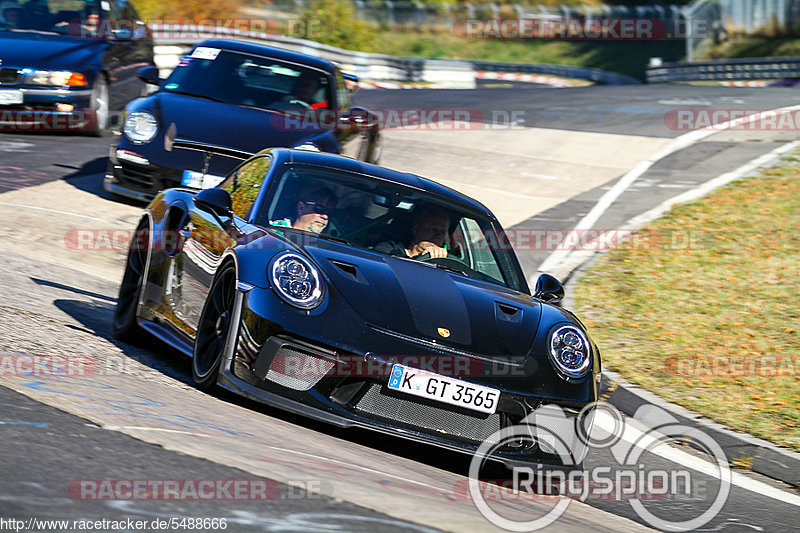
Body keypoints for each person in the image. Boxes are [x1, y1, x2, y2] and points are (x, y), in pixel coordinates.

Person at [375, 204, 450, 259]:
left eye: (442, 232)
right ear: (416, 228)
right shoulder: (389, 248)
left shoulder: (444, 262)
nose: (437, 235)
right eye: (433, 229)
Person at [271, 185, 337, 234]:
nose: (325, 216)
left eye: (329, 212)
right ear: (301, 208)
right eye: (320, 209)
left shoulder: (327, 247)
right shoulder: (275, 232)